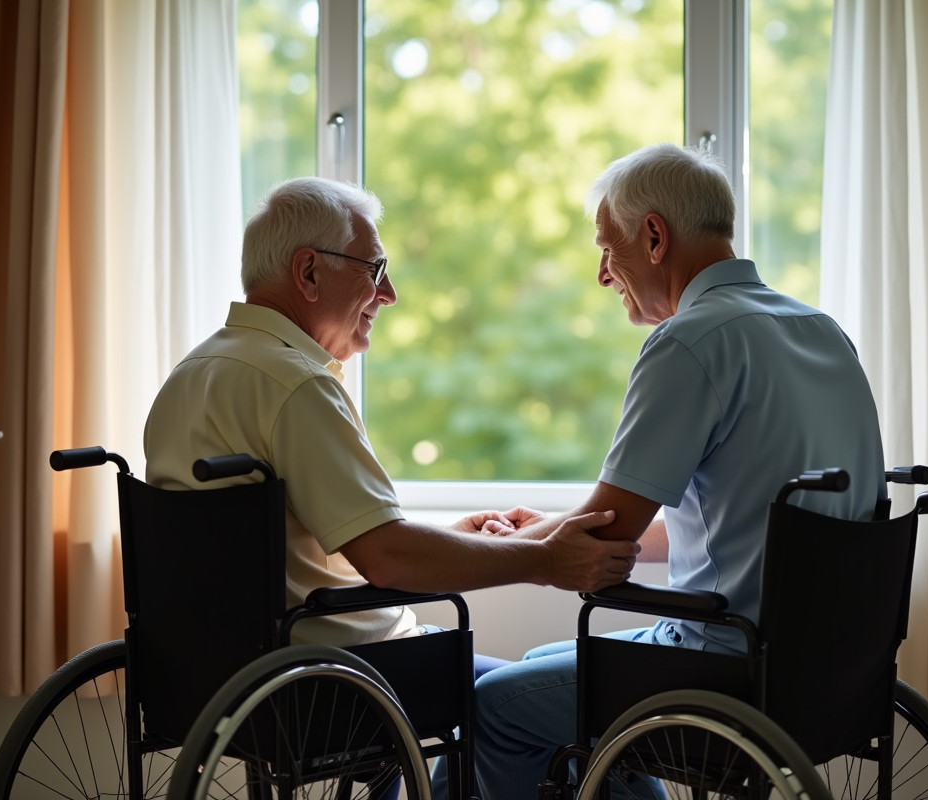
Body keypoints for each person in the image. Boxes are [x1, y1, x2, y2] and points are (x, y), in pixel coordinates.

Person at [471, 142, 887, 799]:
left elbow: (607, 531)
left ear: (655, 236)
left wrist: (497, 543)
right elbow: (736, 525)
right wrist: (542, 526)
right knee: (536, 668)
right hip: (826, 671)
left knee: (494, 705)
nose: (605, 274)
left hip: (725, 667)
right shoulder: (819, 330)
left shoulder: (692, 340)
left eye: (609, 248)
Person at [143, 176, 639, 648]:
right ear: (309, 272)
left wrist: (448, 543)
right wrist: (545, 561)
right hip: (348, 675)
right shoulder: (296, 386)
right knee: (533, 703)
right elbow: (386, 559)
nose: (390, 293)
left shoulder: (193, 373)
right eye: (374, 269)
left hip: (227, 672)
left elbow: (317, 555)